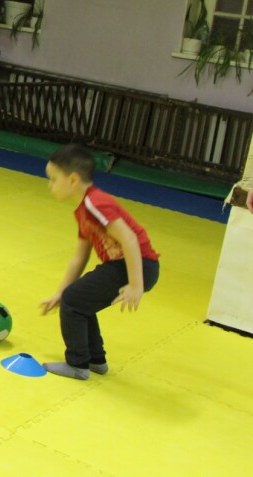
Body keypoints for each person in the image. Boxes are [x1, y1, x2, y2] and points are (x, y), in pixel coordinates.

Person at [40, 143, 160, 380]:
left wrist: (136, 284)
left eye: (53, 179)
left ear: (73, 180)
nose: (49, 185)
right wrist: (60, 292)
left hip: (136, 265)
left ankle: (78, 364)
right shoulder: (83, 210)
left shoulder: (95, 203)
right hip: (125, 266)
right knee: (78, 300)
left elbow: (129, 238)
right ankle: (96, 360)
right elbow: (80, 256)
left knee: (74, 300)